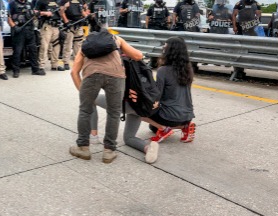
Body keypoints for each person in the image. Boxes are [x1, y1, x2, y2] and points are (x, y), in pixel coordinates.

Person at [69, 28, 144, 163]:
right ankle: (109, 151)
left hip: (92, 75)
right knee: (114, 113)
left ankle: (83, 148)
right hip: (116, 76)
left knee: (85, 110)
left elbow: (74, 72)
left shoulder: (86, 43)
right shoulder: (116, 40)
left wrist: (83, 92)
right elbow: (138, 56)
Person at [142, 36, 196, 144]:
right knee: (152, 128)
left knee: (137, 110)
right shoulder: (188, 69)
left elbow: (157, 94)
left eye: (165, 46)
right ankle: (184, 126)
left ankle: (165, 129)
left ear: (171, 51)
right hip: (187, 116)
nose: (163, 48)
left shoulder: (163, 70)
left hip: (170, 117)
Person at [90, 91, 160, 164]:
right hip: (141, 107)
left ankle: (93, 135)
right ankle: (148, 148)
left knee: (90, 97)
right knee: (129, 138)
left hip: (127, 103)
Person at [8, 0, 42, 77]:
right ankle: (16, 71)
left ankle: (35, 69)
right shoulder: (12, 3)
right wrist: (14, 27)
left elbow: (33, 14)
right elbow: (8, 17)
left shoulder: (29, 3)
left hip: (29, 29)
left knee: (33, 50)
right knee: (17, 51)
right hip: (19, 30)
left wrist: (36, 14)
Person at [58, 0, 89, 69]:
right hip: (70, 24)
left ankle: (77, 61)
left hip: (78, 24)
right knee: (68, 44)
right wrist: (66, 22)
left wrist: (86, 16)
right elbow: (61, 12)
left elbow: (82, 10)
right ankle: (66, 62)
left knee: (78, 44)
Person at [35, 0, 63, 72]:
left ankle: (54, 65)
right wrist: (44, 13)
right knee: (44, 46)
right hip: (46, 25)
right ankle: (41, 66)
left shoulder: (55, 0)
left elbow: (59, 12)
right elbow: (35, 12)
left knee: (56, 45)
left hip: (56, 25)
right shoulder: (41, 0)